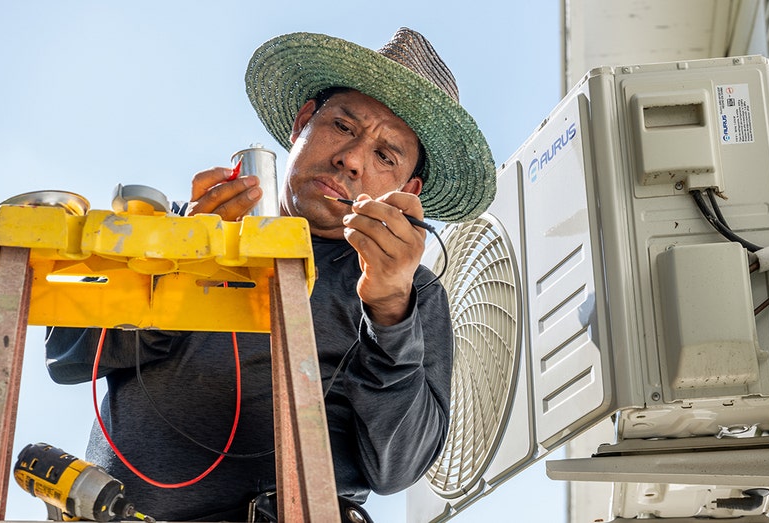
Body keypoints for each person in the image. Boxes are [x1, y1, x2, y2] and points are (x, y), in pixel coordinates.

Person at [45, 27, 495, 521]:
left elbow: (398, 468)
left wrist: (390, 312)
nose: (351, 160)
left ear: (407, 189)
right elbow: (65, 356)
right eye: (342, 127)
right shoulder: (188, 225)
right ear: (303, 122)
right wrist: (181, 265)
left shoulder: (413, 296)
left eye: (384, 156)